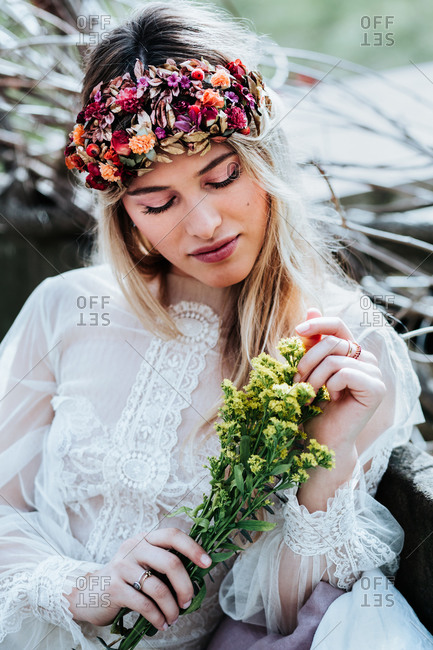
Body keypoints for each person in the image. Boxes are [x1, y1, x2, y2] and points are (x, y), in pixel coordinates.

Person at [0, 2, 431, 649]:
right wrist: (81, 588)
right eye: (157, 200)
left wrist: (329, 455)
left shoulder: (341, 341)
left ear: (262, 158)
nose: (202, 225)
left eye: (221, 175)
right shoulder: (64, 307)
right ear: (124, 213)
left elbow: (284, 618)